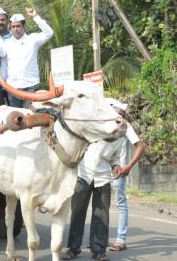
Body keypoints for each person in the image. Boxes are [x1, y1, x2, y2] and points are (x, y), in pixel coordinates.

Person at [62, 137, 127, 261]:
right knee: (77, 211)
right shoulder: (95, 125)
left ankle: (98, 251)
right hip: (83, 174)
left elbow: (115, 157)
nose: (119, 119)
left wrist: (115, 165)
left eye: (123, 117)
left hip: (103, 177)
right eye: (118, 116)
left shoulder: (119, 138)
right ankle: (73, 248)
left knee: (101, 215)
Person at [108, 99, 145, 252]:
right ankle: (99, 239)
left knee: (120, 203)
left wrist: (128, 167)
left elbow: (141, 146)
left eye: (123, 115)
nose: (120, 117)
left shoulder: (125, 126)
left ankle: (120, 240)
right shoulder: (103, 122)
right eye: (118, 113)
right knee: (101, 205)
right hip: (101, 170)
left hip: (118, 171)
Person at [4, 9, 54, 108]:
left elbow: (49, 33)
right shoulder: (6, 44)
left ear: (24, 27)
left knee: (29, 116)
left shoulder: (33, 39)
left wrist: (35, 17)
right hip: (13, 87)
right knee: (15, 119)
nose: (16, 29)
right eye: (13, 27)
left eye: (18, 26)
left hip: (31, 86)